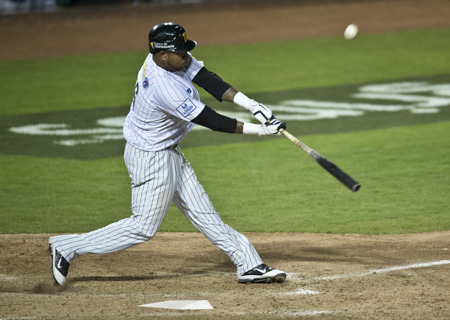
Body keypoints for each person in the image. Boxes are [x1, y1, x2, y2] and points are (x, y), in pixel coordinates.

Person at [49, 22, 287, 285]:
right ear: (162, 54)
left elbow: (208, 79)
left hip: (167, 152)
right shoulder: (163, 86)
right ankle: (68, 246)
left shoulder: (170, 60)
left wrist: (252, 105)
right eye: (180, 52)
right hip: (151, 159)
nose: (186, 56)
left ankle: (249, 264)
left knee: (204, 213)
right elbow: (211, 120)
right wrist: (262, 131)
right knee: (142, 227)